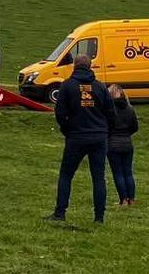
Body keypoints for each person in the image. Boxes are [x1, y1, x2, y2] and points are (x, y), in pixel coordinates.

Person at [47, 54, 116, 224]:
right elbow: (111, 113)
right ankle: (99, 217)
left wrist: (67, 129)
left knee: (66, 175)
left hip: (76, 136)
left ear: (75, 66)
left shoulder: (68, 86)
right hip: (99, 136)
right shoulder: (100, 87)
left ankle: (60, 212)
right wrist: (105, 130)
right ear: (90, 66)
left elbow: (60, 113)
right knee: (98, 177)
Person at [107, 84, 139, 206]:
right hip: (127, 143)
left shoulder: (109, 110)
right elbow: (135, 127)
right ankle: (131, 198)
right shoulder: (130, 109)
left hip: (113, 143)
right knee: (128, 172)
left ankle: (123, 199)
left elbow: (106, 126)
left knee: (118, 173)